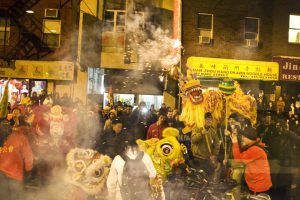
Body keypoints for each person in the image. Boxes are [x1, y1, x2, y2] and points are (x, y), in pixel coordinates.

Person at [106, 133, 157, 200]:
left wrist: (111, 196)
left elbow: (111, 183)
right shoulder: (145, 156)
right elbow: (153, 175)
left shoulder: (118, 159)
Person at [230, 126, 272, 194]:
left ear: (248, 138)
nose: (242, 139)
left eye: (243, 137)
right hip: (259, 183)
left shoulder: (254, 149)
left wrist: (235, 142)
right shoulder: (255, 145)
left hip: (258, 186)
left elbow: (238, 159)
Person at [0, 119, 33, 200]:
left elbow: (28, 155)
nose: (4, 127)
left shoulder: (20, 137)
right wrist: (28, 170)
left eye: (6, 124)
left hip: (14, 173)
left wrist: (28, 169)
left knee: (11, 195)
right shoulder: (19, 137)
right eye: (3, 125)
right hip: (9, 173)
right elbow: (28, 155)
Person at [191, 112, 220, 178]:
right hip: (197, 158)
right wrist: (201, 134)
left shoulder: (213, 131)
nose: (209, 121)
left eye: (210, 119)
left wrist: (214, 155)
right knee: (198, 178)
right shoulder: (197, 128)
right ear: (204, 120)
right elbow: (193, 140)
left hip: (207, 159)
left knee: (208, 177)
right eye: (207, 119)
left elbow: (217, 144)